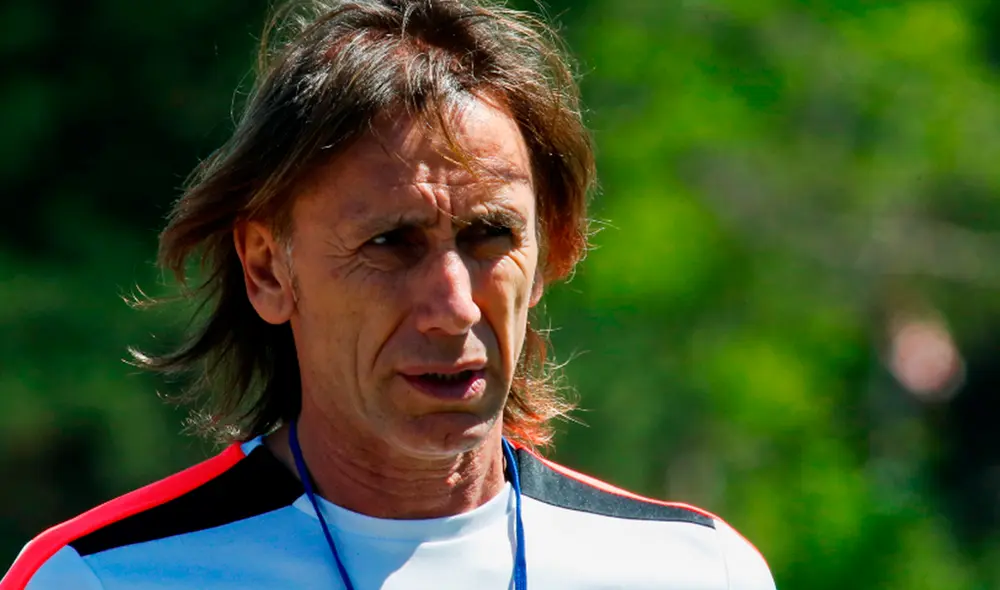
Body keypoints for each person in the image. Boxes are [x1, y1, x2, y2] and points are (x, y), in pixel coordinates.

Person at [3, 0, 776, 588]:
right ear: (269, 268)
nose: (454, 305)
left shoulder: (695, 569)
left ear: (550, 256)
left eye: (489, 237)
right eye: (390, 244)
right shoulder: (102, 577)